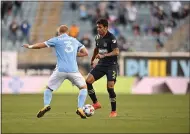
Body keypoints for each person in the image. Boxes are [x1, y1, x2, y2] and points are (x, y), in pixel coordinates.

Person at [22, 25, 89, 119]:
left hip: (60, 70)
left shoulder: (56, 39)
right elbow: (85, 53)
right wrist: (72, 54)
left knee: (49, 88)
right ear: (68, 32)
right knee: (83, 88)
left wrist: (30, 46)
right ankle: (80, 108)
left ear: (59, 32)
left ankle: (46, 105)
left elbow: (41, 45)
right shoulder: (74, 40)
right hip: (73, 71)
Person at [85, 18, 119, 117]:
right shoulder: (97, 38)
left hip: (111, 65)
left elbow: (116, 51)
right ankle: (96, 103)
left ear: (106, 27)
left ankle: (113, 111)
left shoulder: (111, 38)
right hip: (101, 64)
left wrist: (104, 55)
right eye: (97, 27)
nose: (98, 29)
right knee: (88, 81)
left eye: (100, 27)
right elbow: (96, 49)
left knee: (110, 88)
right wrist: (92, 59)